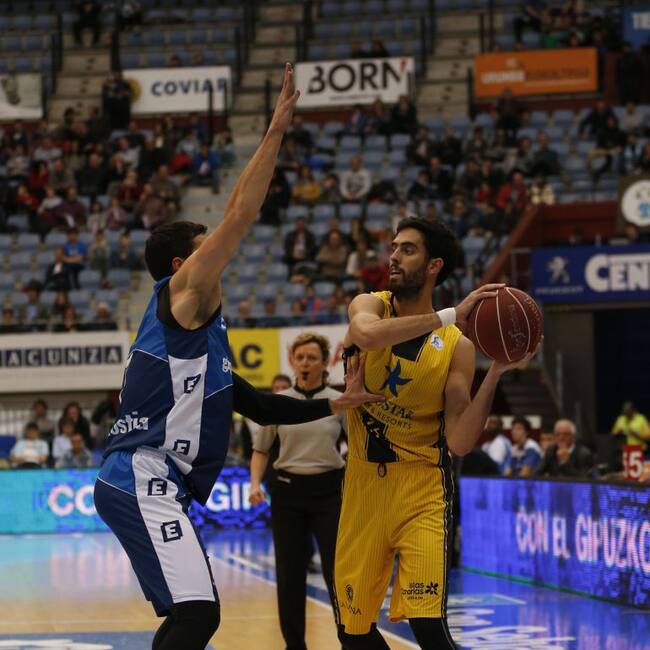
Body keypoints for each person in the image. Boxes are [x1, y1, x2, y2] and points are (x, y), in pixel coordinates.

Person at [92, 65, 381, 650]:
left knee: (192, 615)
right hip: (142, 474)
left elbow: (261, 406)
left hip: (151, 479)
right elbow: (240, 214)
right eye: (207, 251)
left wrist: (338, 402)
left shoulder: (204, 340)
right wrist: (275, 131)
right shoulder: (181, 296)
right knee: (198, 615)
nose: (220, 258)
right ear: (183, 266)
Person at [334, 216, 538, 649]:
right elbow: (366, 336)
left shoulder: (457, 347)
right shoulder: (370, 305)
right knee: (353, 632)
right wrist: (449, 314)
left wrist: (495, 372)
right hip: (364, 486)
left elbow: (460, 441)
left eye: (407, 249)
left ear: (433, 266)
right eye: (393, 247)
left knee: (428, 624)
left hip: (422, 488)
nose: (393, 256)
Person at [249, 333, 347, 650]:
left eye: (312, 358)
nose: (305, 363)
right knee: (290, 576)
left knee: (339, 573)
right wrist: (254, 484)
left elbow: (358, 449)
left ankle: (350, 640)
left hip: (330, 492)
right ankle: (295, 646)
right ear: (292, 361)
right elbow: (261, 450)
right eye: (300, 357)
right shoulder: (278, 402)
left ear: (324, 363)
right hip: (287, 494)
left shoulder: (339, 401)